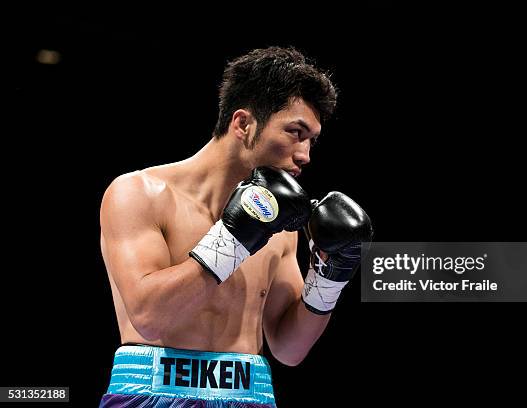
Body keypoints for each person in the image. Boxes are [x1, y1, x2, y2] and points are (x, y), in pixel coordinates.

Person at [99, 46, 372, 407]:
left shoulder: (281, 227)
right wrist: (236, 235)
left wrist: (331, 275)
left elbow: (289, 349)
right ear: (243, 124)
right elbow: (151, 319)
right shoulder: (139, 194)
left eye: (311, 140)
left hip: (250, 395)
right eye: (295, 132)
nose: (305, 155)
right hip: (151, 394)